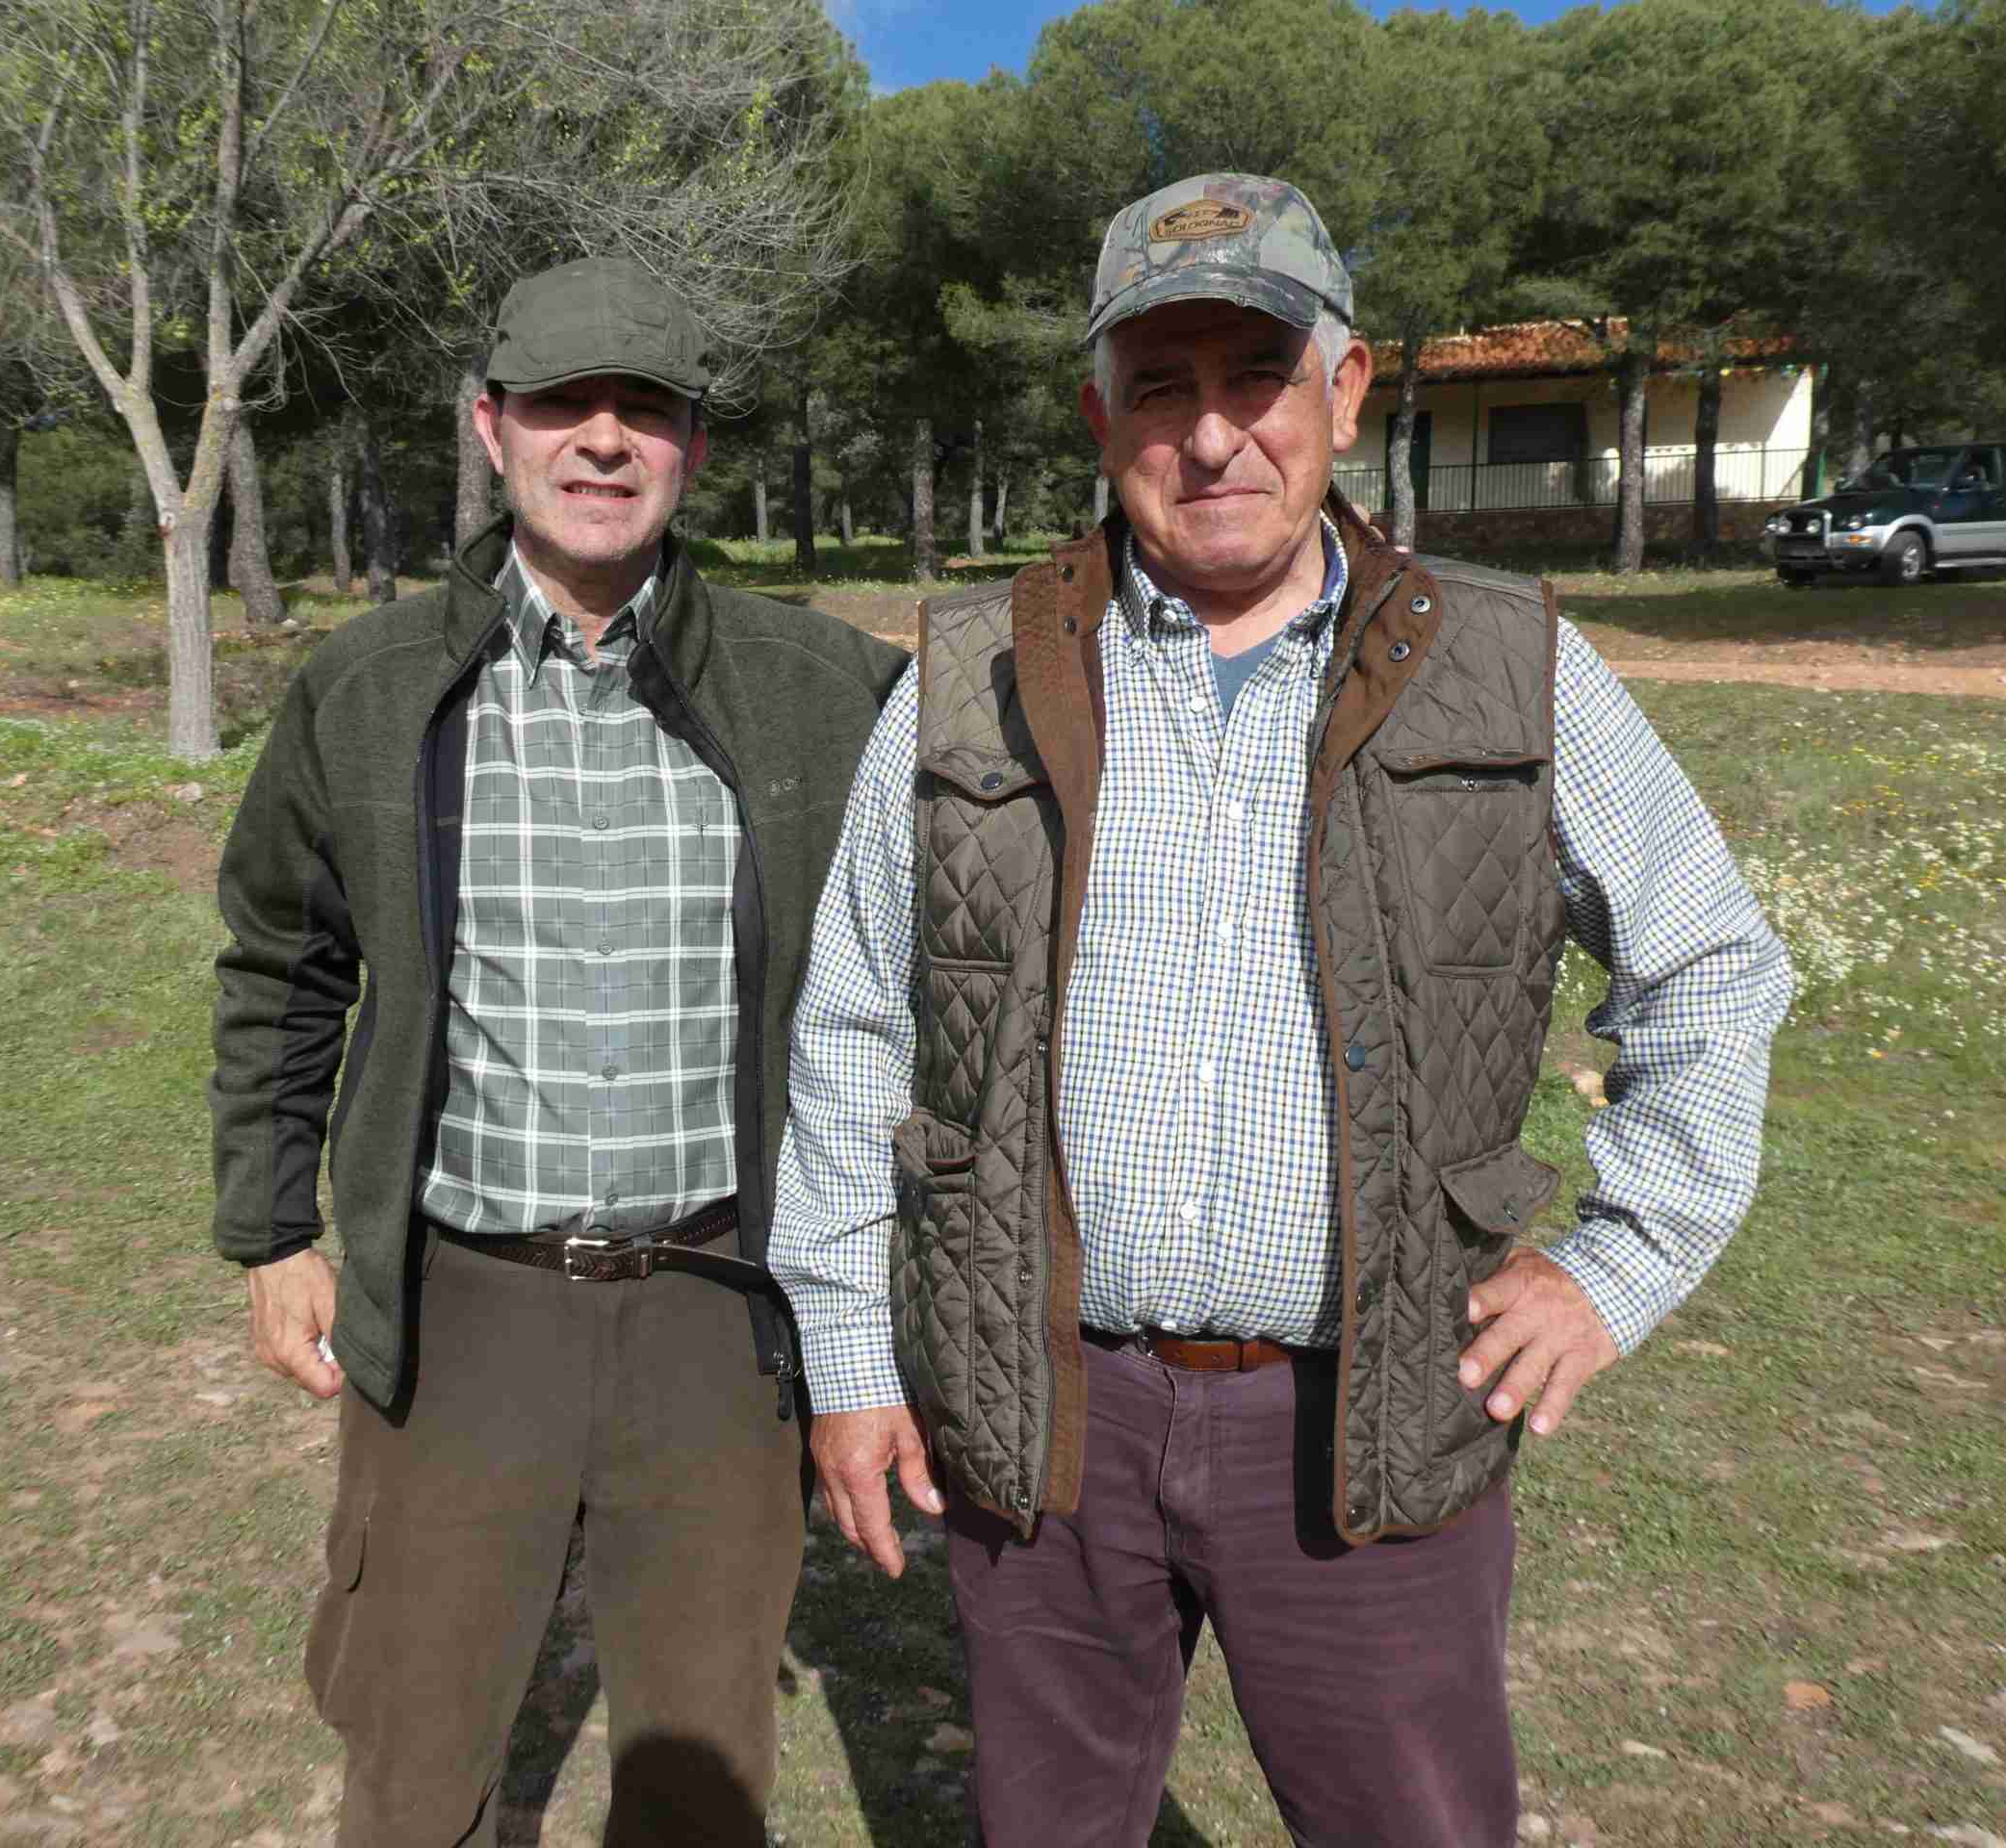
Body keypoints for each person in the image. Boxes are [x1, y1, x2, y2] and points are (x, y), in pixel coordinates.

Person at [766, 173, 1794, 1848]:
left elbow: (1712, 967)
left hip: (1375, 1418)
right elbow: (854, 1025)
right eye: (1161, 388)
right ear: (1102, 417)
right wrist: (849, 1354)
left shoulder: (1513, 660)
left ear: (1347, 387)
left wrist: (1620, 1265)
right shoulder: (966, 673)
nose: (1213, 435)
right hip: (1042, 1415)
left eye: (1255, 376)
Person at [209, 254, 905, 1847]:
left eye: (643, 411)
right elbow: (281, 964)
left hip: (724, 1307)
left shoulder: (826, 692)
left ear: (693, 449)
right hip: (465, 1304)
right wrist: (272, 1232)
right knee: (416, 1742)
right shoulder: (370, 690)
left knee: (700, 1766)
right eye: (561, 407)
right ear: (491, 429)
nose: (603, 441)